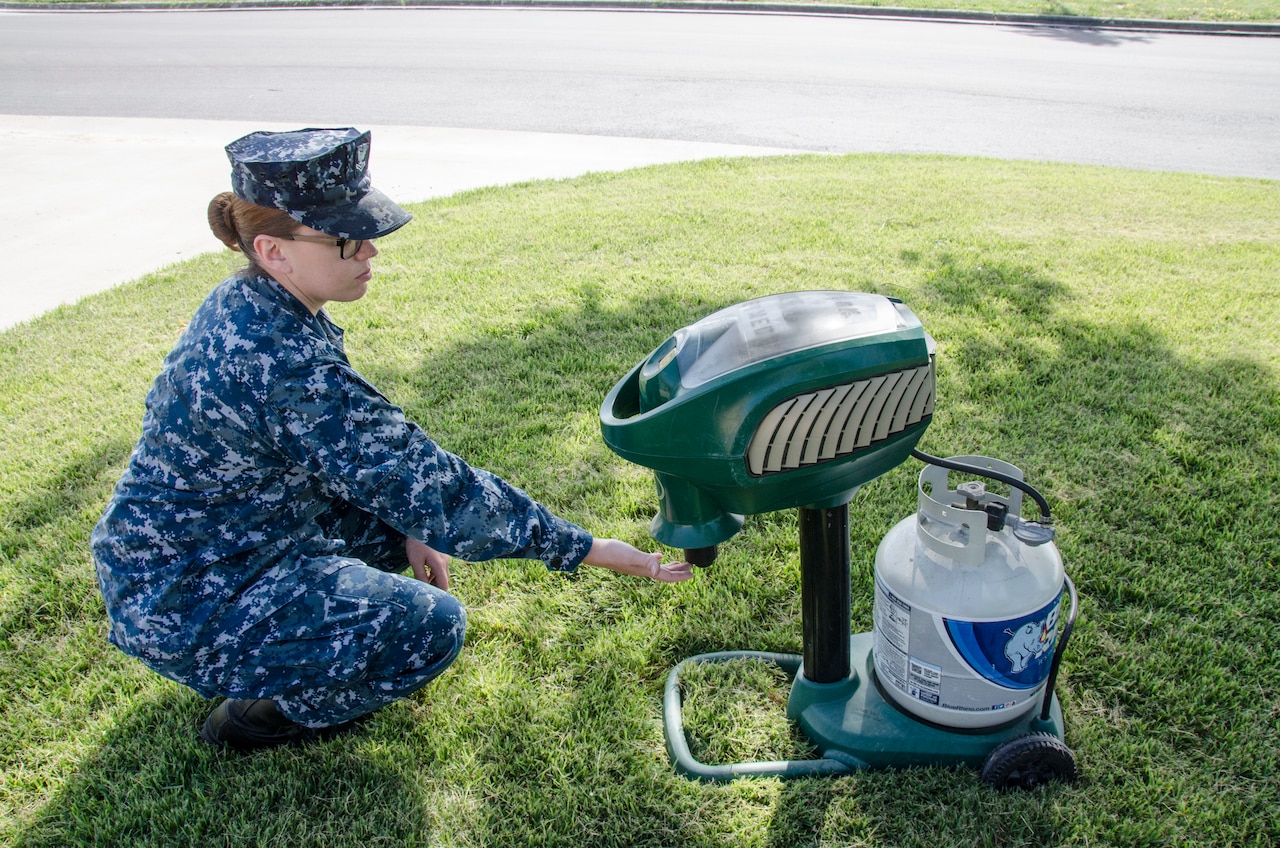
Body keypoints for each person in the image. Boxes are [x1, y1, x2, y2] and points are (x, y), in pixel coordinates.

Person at [91, 127, 692, 753]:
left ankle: (283, 642)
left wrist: (408, 520)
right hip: (185, 596)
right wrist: (593, 549)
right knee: (430, 627)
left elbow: (374, 465)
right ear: (273, 250)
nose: (369, 251)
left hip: (205, 547)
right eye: (347, 239)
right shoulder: (279, 363)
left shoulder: (252, 301)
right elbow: (441, 492)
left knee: (397, 526)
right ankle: (264, 712)